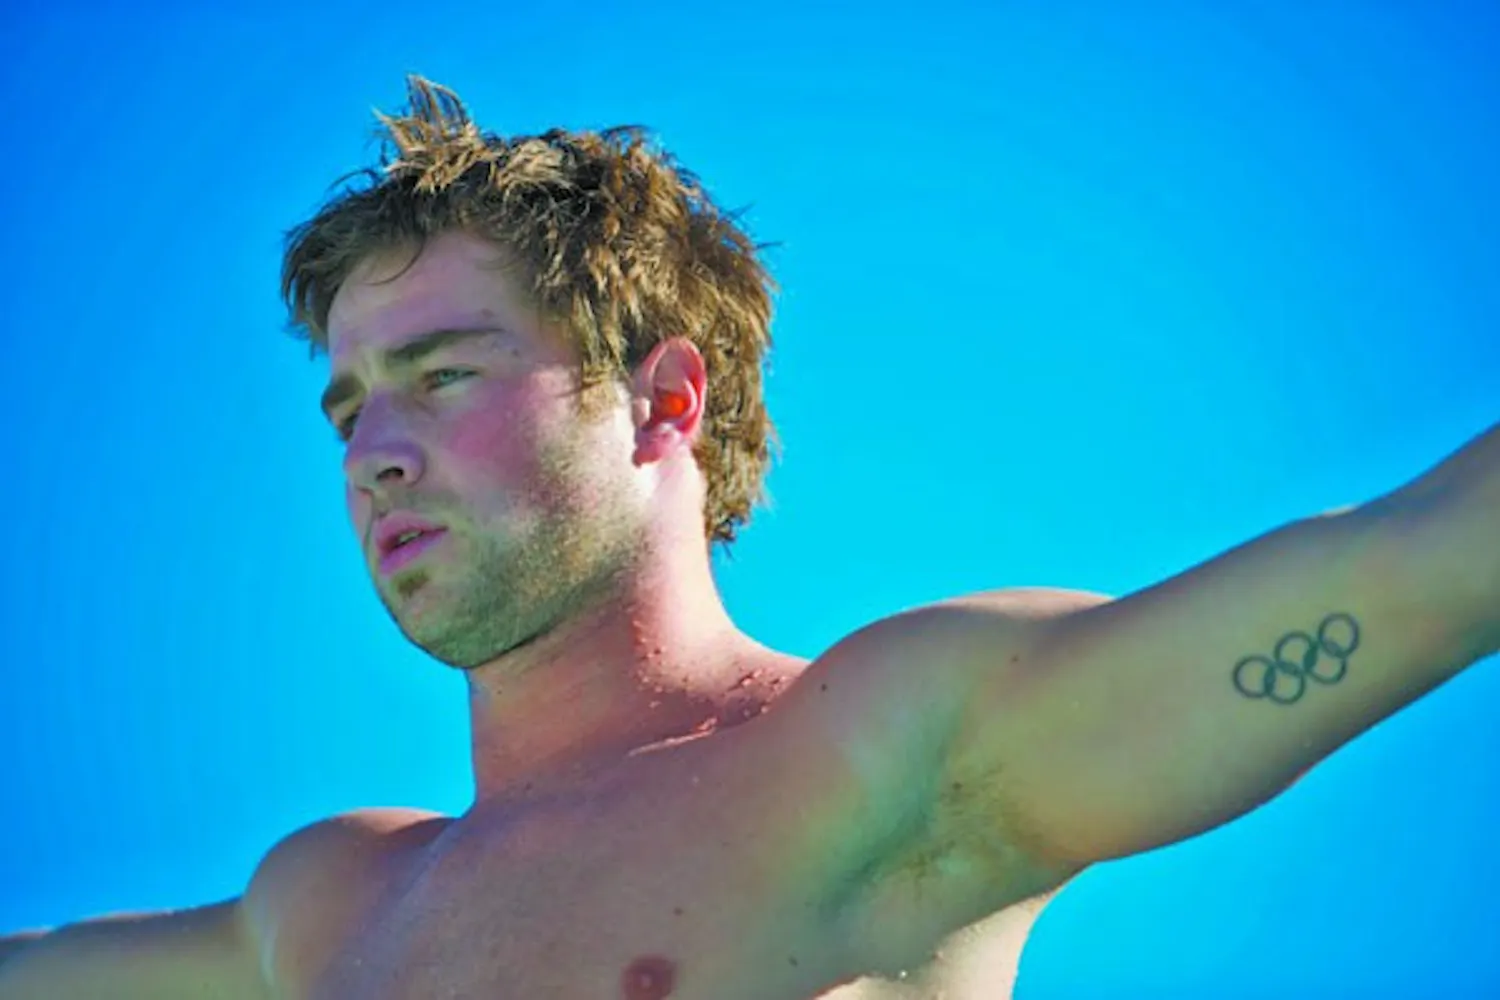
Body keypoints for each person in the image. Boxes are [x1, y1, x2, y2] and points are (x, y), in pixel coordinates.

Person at [0, 75, 1494, 1000]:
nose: (372, 452)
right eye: (348, 408)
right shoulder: (326, 910)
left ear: (663, 400)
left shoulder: (887, 750)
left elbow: (1425, 566)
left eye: (442, 376)